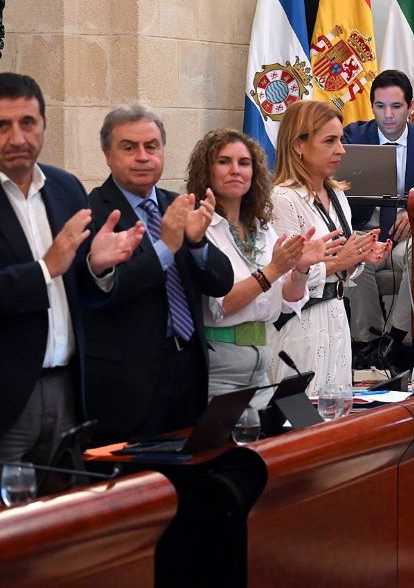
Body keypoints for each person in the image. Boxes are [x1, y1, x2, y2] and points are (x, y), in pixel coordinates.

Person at [0, 73, 143, 467]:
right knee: (12, 524)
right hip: (8, 400)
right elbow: (49, 270)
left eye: (27, 123)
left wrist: (97, 267)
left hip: (69, 389)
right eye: (3, 125)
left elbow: (80, 287)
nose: (17, 138)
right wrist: (46, 267)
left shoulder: (65, 187)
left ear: (44, 124)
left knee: (67, 516)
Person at [84, 104, 235, 441]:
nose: (142, 156)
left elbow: (221, 282)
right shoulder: (92, 213)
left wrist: (196, 244)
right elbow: (106, 293)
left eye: (151, 146)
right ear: (108, 154)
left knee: (187, 481)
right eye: (129, 147)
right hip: (128, 381)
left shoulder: (178, 204)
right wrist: (166, 246)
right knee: (136, 487)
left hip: (189, 369)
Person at [184, 129, 337, 405]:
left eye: (244, 163)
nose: (236, 170)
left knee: (305, 429)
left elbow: (288, 302)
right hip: (221, 367)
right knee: (243, 445)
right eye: (224, 161)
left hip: (263, 359)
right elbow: (222, 305)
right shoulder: (200, 228)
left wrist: (300, 269)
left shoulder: (261, 227)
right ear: (206, 171)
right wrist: (273, 271)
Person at [269, 100, 390, 394]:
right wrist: (338, 263)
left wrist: (361, 256)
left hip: (336, 316)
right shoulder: (283, 199)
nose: (342, 150)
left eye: (341, 140)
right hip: (301, 323)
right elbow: (283, 281)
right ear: (298, 145)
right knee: (302, 413)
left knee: (336, 410)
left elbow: (341, 263)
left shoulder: (335, 193)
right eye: (330, 141)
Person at [342, 70, 414, 360]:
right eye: (380, 106)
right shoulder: (352, 137)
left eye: (396, 107)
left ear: (411, 107)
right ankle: (367, 343)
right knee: (355, 255)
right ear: (371, 105)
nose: (387, 115)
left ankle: (396, 337)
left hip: (406, 237)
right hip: (365, 229)